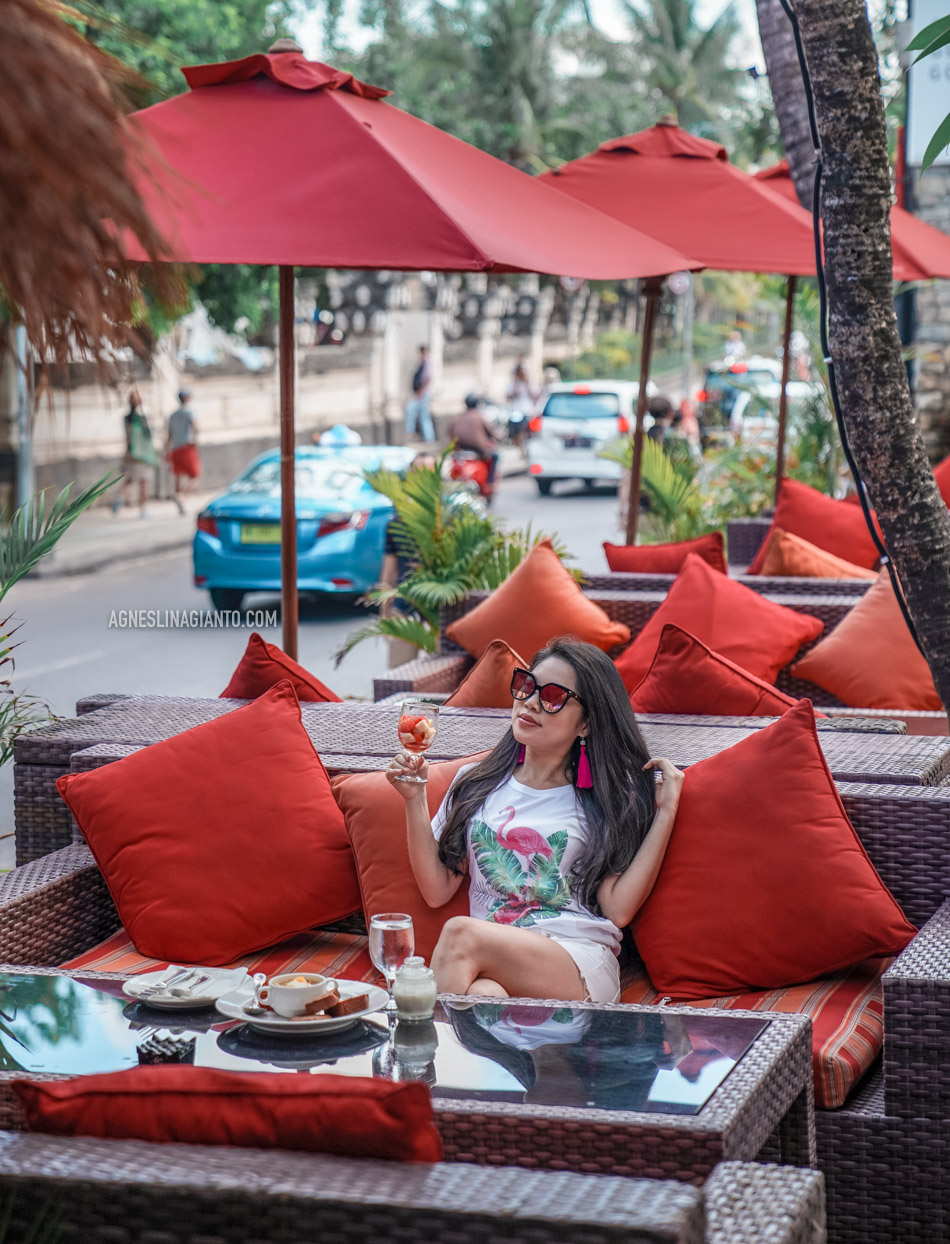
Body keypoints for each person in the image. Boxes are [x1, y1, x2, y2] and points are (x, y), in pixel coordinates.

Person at [387, 637, 684, 1003]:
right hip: (494, 963)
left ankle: (415, 1043)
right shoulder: (474, 783)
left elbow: (618, 910)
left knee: (461, 933)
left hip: (576, 961)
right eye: (527, 686)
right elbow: (436, 891)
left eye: (554, 697)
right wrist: (414, 798)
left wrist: (665, 813)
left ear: (586, 724)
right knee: (482, 995)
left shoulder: (604, 799)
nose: (530, 702)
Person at [378, 452, 437, 668]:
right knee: (397, 678)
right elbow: (389, 571)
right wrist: (385, 614)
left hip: (441, 614)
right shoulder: (398, 522)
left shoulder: (450, 519)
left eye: (429, 473)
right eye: (417, 473)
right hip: (404, 609)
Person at [112, 389, 159, 519]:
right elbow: (150, 434)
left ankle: (120, 499)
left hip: (129, 454)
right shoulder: (143, 417)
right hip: (142, 456)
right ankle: (143, 509)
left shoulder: (126, 418)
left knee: (128, 480)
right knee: (143, 483)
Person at [448, 395, 499, 486]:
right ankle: (490, 482)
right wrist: (499, 437)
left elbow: (450, 432)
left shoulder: (458, 417)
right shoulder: (478, 416)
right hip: (477, 449)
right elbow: (491, 432)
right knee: (495, 456)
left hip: (459, 449)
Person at [165, 389, 201, 515]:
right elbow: (196, 427)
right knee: (195, 477)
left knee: (178, 476)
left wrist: (167, 449)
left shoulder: (173, 415)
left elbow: (169, 435)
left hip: (175, 448)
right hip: (187, 447)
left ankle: (180, 499)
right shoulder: (189, 412)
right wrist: (195, 440)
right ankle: (182, 496)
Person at [405, 345, 435, 443]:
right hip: (422, 394)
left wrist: (420, 392)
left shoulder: (428, 362)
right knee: (422, 416)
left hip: (423, 394)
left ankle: (414, 433)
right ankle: (427, 438)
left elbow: (427, 378)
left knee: (414, 411)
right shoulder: (424, 362)